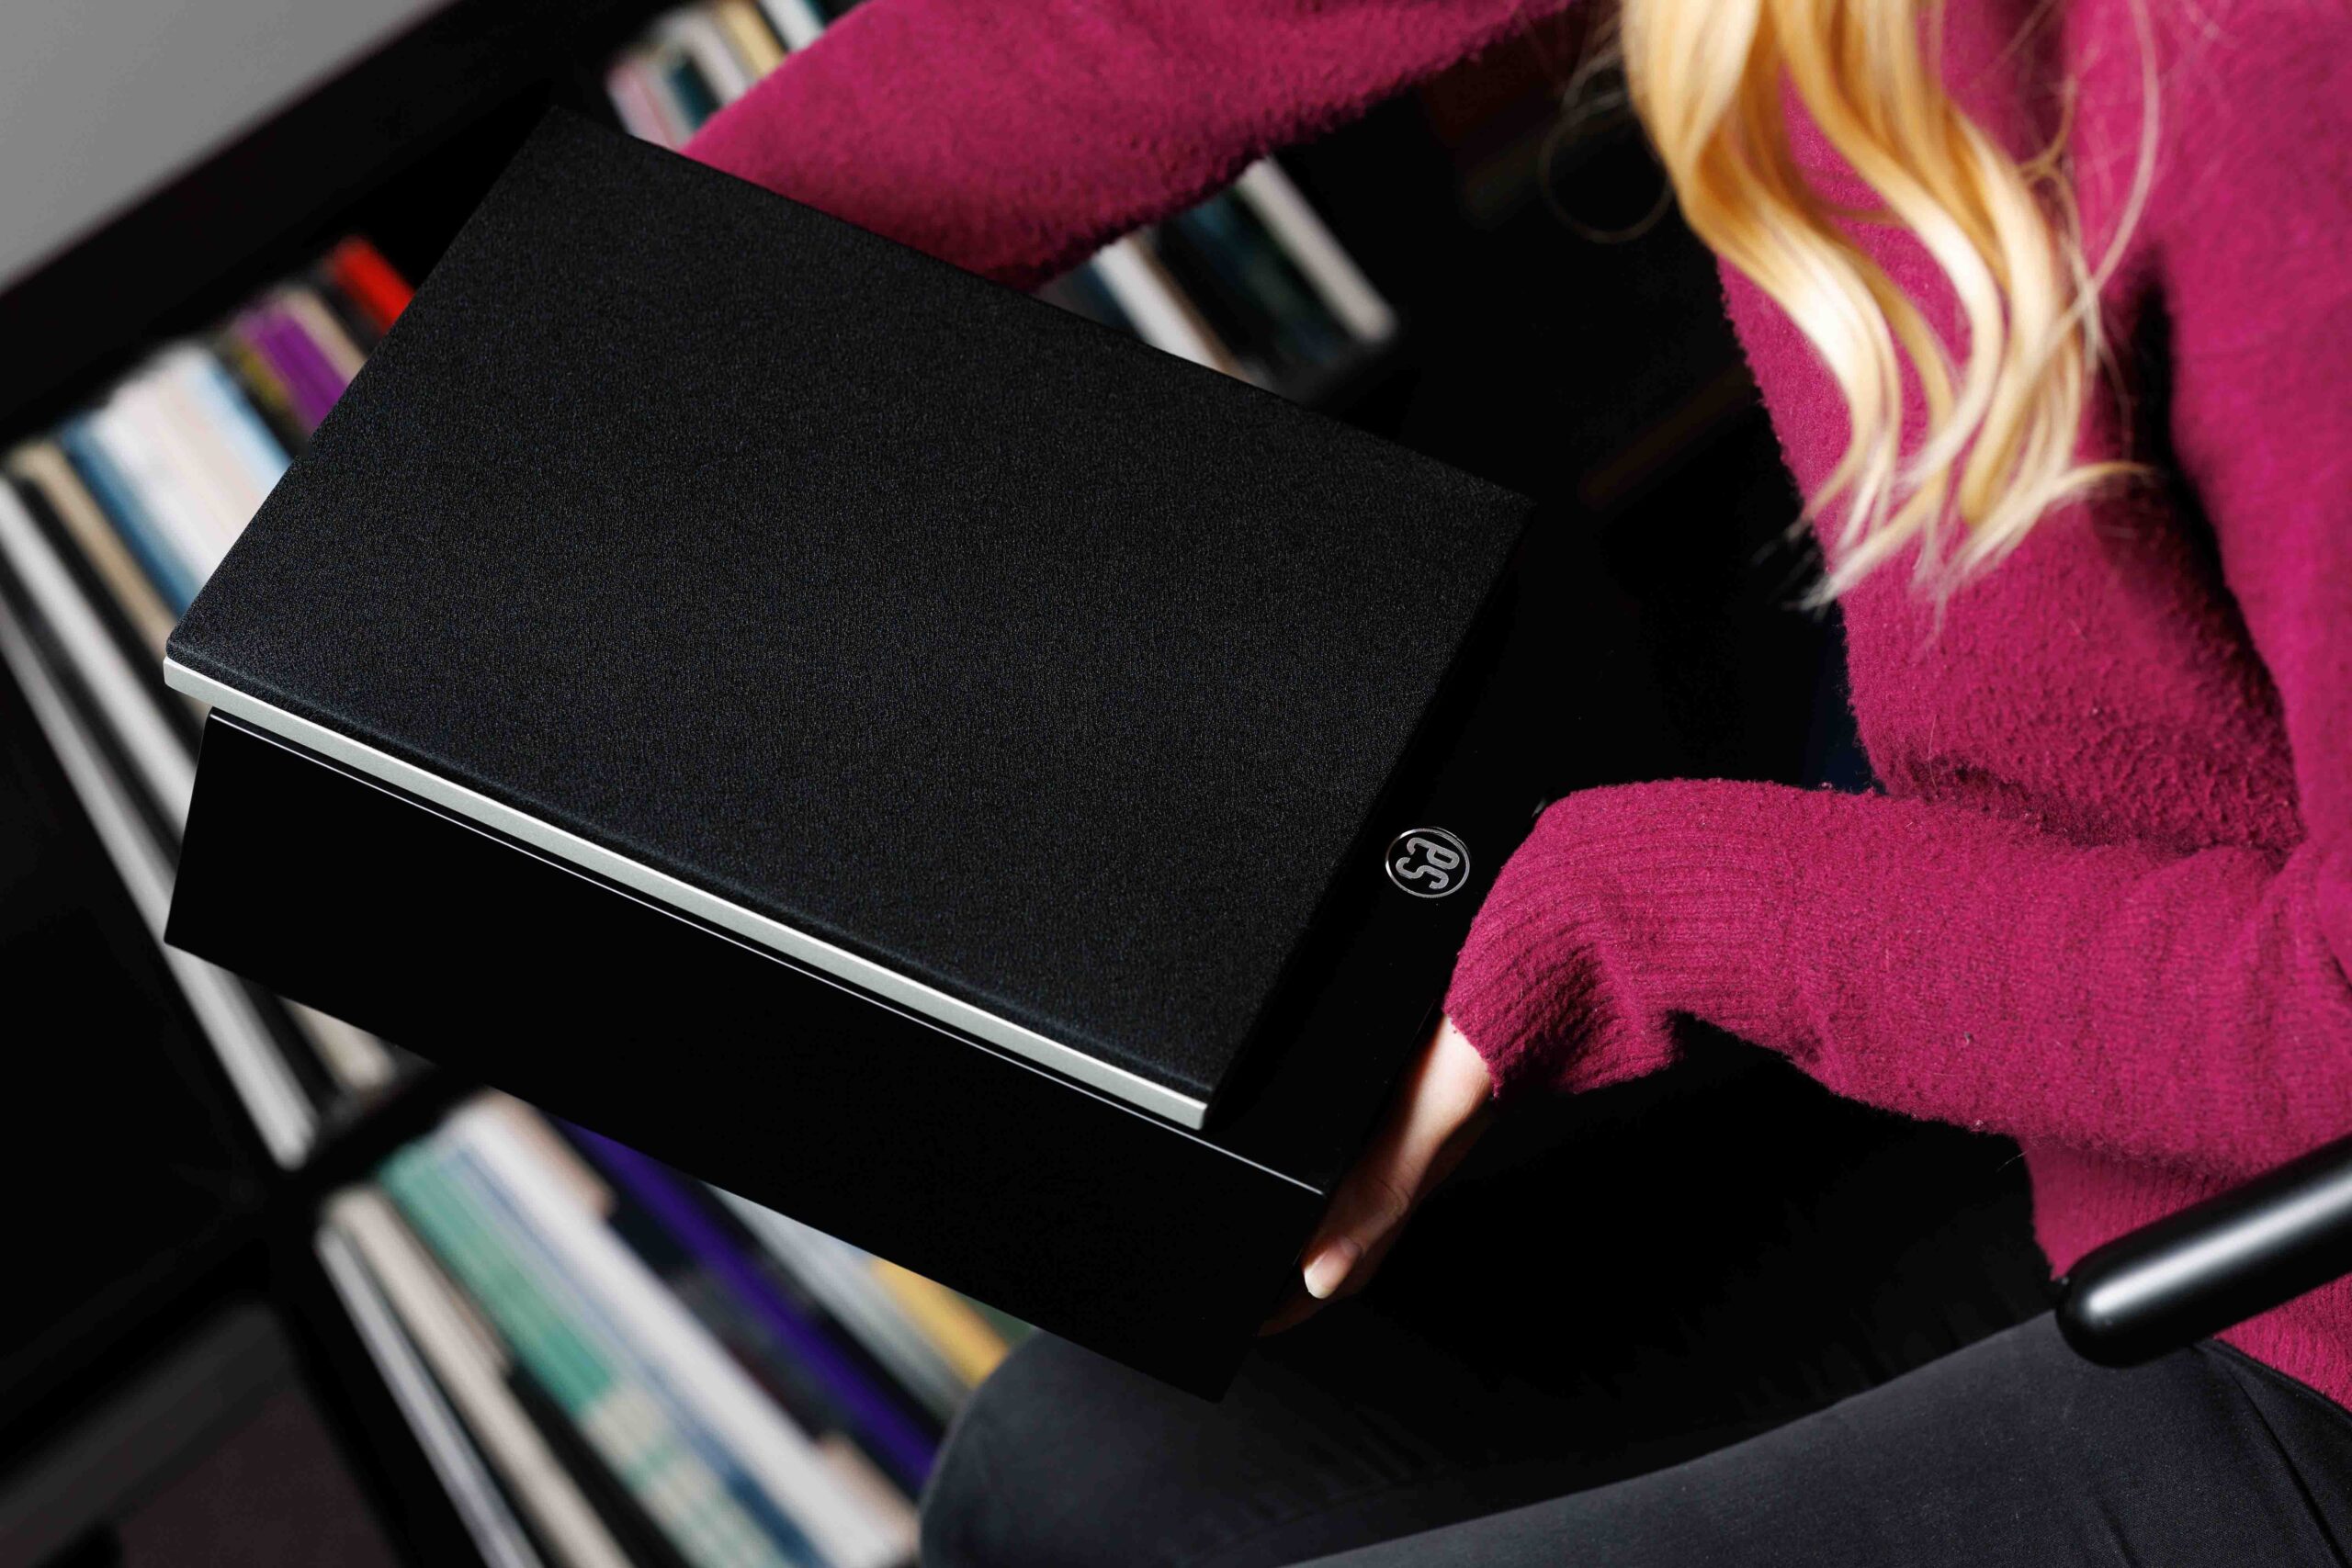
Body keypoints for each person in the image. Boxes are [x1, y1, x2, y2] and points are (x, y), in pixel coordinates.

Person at [685, 0, 2352, 1561]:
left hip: (2307, 1287)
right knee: (1064, 1475)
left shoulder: (2268, 70)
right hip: (2100, 1135)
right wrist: (609, 326)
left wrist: (1633, 917)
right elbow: (1139, 31)